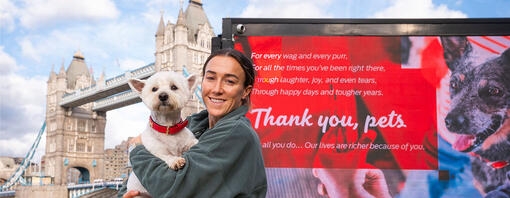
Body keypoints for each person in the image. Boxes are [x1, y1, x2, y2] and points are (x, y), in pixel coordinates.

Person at [118, 48, 267, 198]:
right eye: (210, 78)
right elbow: (133, 183)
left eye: (229, 81)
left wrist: (136, 149)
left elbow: (173, 187)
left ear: (246, 91)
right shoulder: (192, 125)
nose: (217, 89)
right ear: (201, 82)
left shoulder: (236, 133)